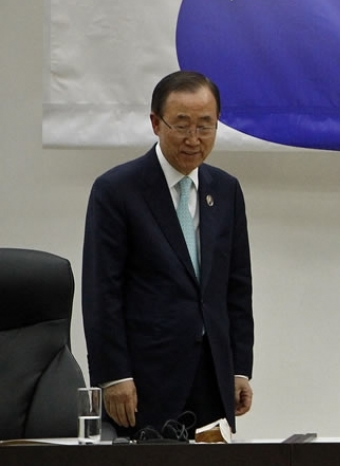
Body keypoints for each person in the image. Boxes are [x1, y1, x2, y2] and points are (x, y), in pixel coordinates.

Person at [82, 71, 254, 436]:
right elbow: (102, 292)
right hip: (144, 381)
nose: (194, 139)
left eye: (205, 126)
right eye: (182, 125)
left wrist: (239, 368)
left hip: (212, 377)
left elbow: (237, 288)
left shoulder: (226, 190)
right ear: (156, 123)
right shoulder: (117, 190)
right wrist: (114, 375)